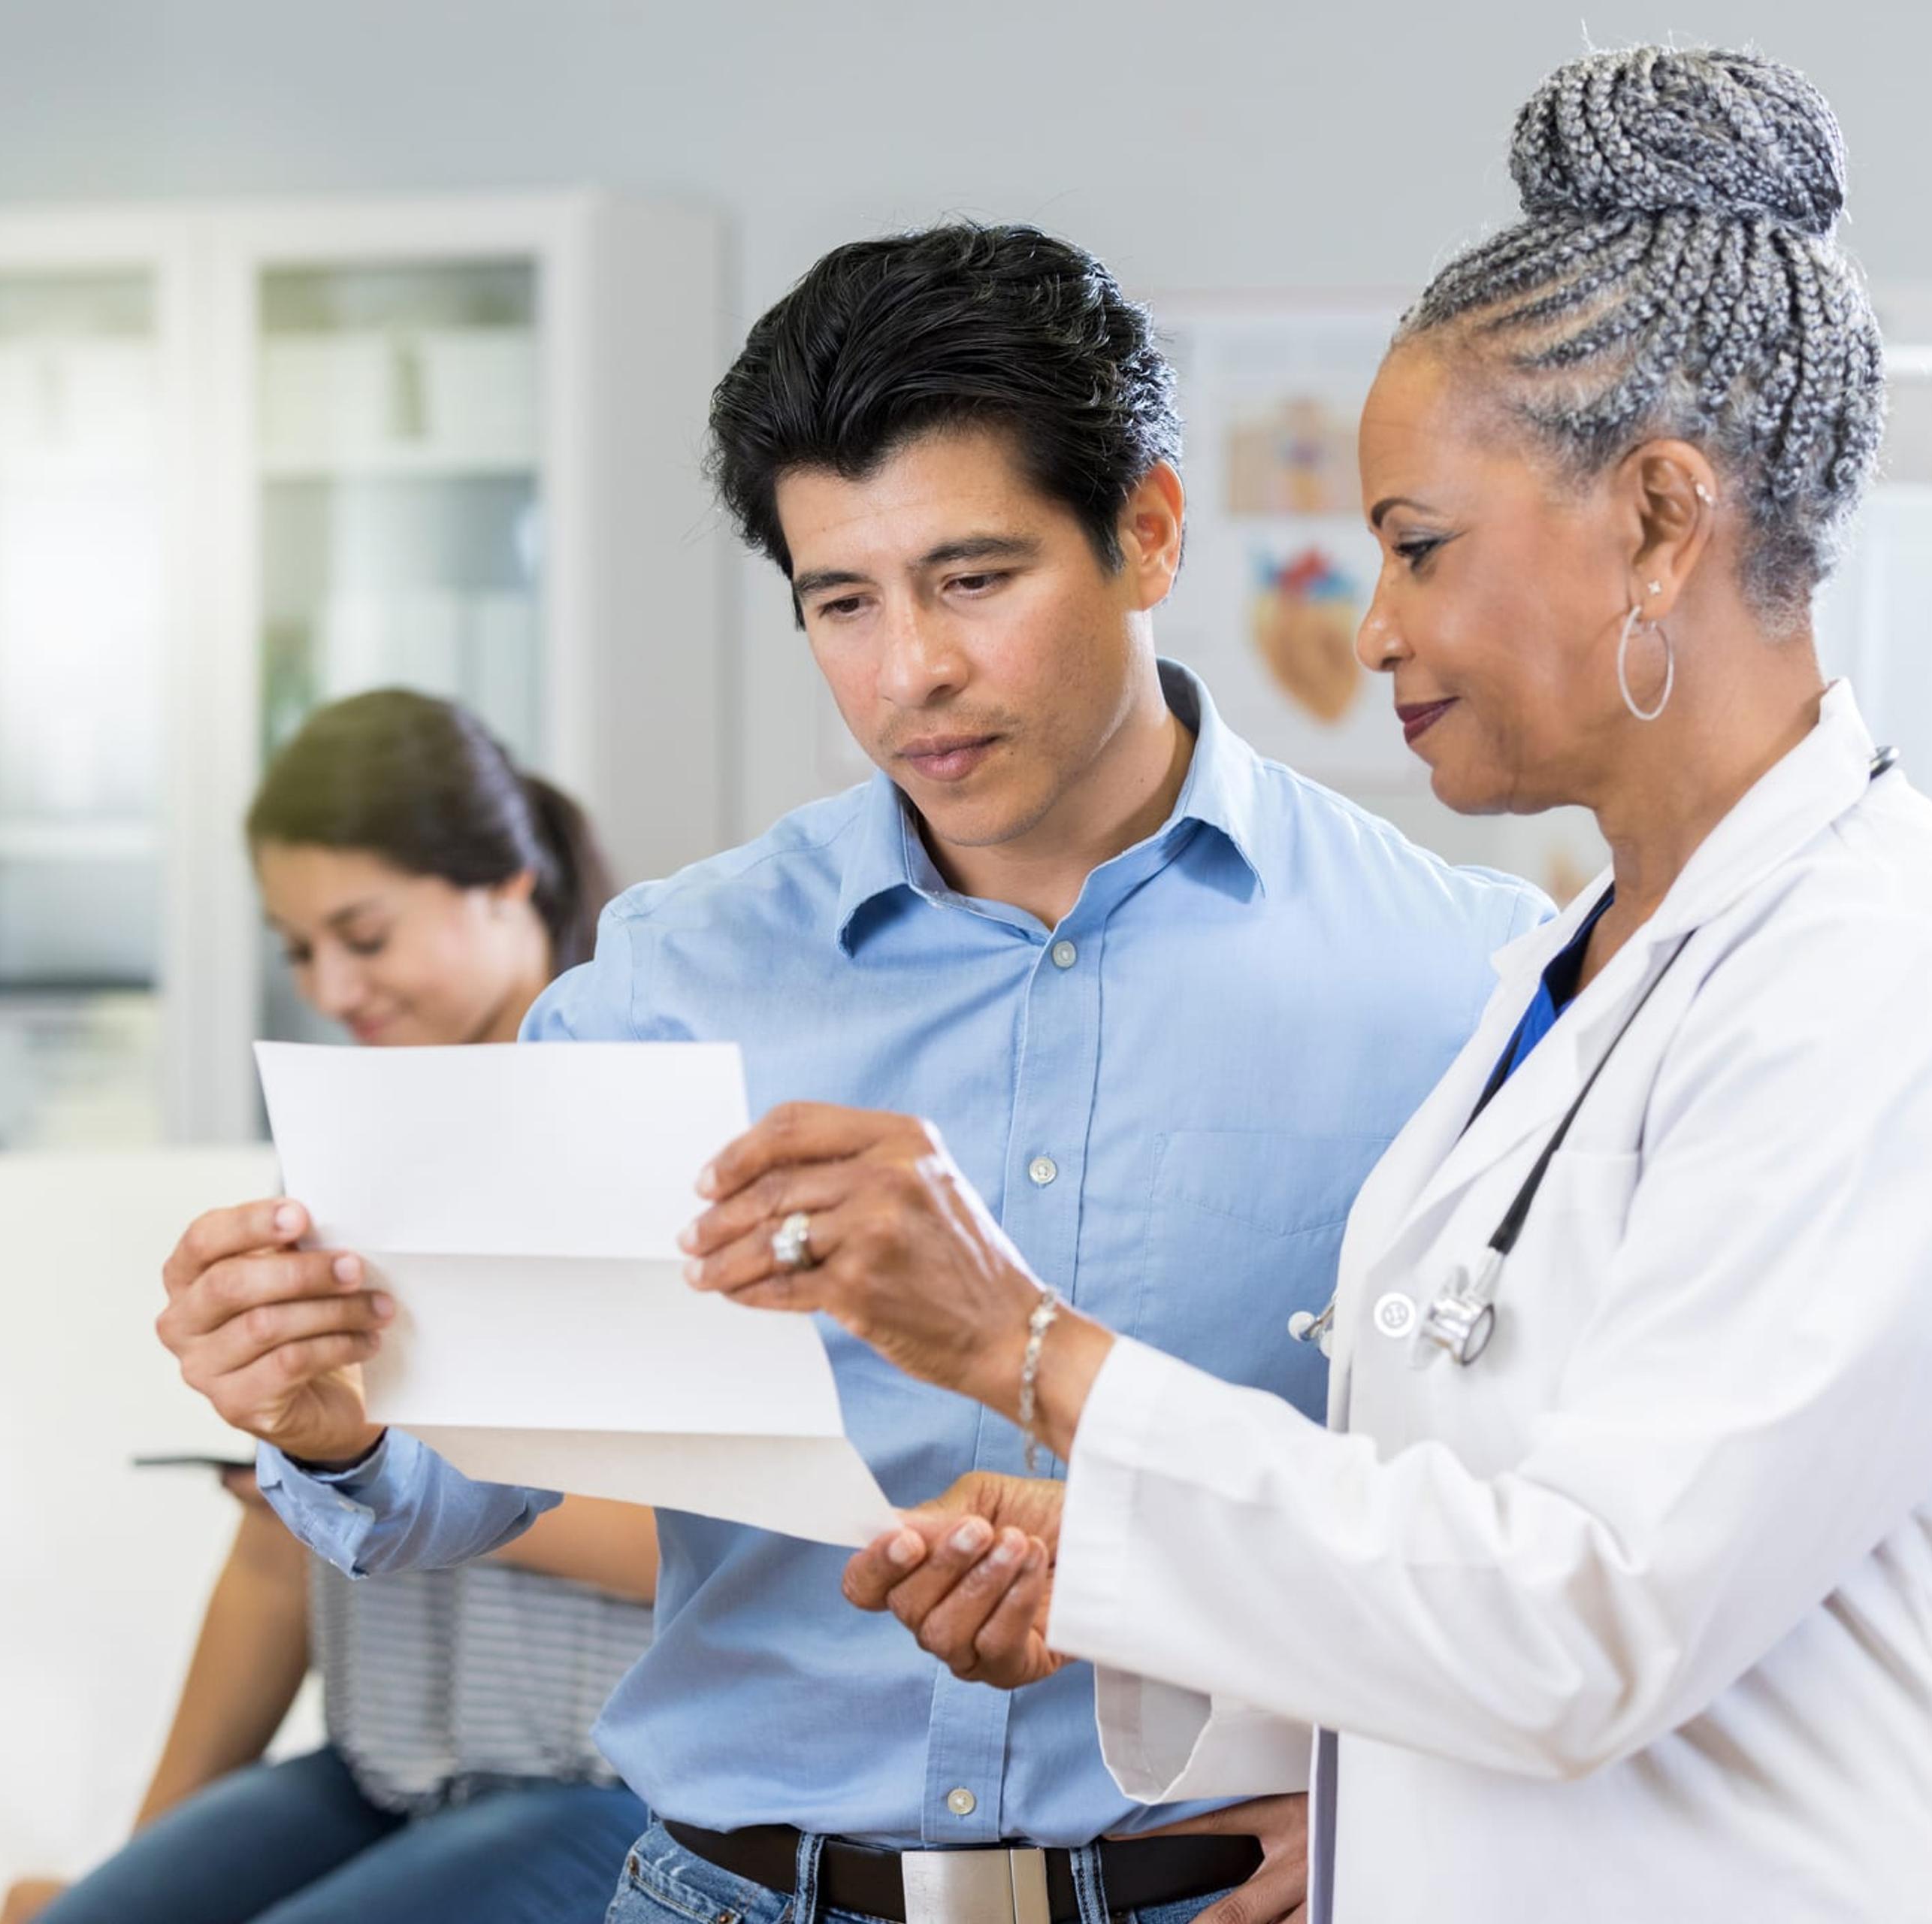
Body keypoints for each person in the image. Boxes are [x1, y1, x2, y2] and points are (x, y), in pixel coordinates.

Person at [682, 47, 1932, 1924]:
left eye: (1419, 547)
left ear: (1657, 520)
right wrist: (1122, 1559)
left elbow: (1583, 1617)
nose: (1373, 624)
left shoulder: (1890, 988)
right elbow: (1468, 1531)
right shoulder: (1579, 968)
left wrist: (1028, 1351)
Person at [153, 225, 1551, 1924]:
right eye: (842, 600)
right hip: (729, 1893)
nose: (910, 673)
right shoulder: (678, 973)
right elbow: (471, 1470)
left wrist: (1408, 1798)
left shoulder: (1458, 978)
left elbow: (1551, 1526)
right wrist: (329, 1419)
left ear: (1149, 532)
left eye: (974, 578)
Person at [2, 691, 659, 1924]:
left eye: (364, 933)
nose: (331, 985)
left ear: (508, 881)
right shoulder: (346, 1152)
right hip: (387, 1771)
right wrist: (126, 1880)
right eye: (299, 947)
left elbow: (710, 1537)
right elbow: (267, 1566)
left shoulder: (641, 1122)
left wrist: (381, 1471)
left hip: (606, 1790)